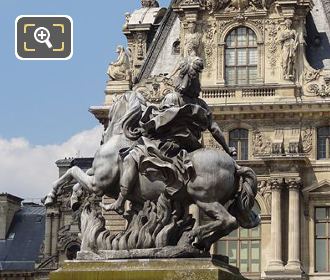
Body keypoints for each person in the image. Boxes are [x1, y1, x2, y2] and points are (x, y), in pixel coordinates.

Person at [101, 56, 236, 214]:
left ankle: (121, 200)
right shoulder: (201, 104)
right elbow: (215, 129)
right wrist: (227, 149)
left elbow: (160, 121)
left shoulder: (173, 98)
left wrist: (146, 121)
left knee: (132, 156)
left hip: (168, 146)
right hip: (192, 148)